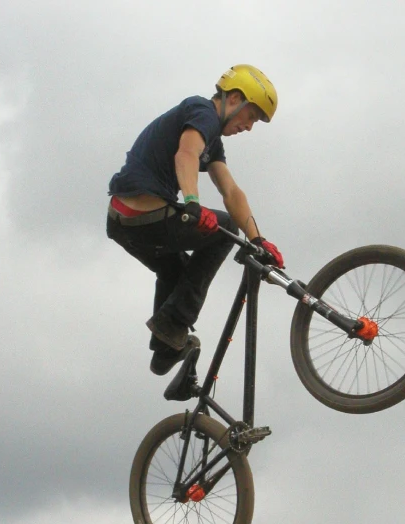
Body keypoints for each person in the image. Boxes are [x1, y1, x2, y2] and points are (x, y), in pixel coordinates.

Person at [106, 64, 284, 376]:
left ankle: (165, 348)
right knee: (225, 227)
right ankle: (171, 325)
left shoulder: (212, 140)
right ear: (235, 99)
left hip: (123, 222)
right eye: (251, 116)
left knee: (177, 274)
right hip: (146, 214)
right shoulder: (202, 111)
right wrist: (192, 202)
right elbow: (186, 154)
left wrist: (258, 239)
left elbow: (230, 190)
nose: (250, 127)